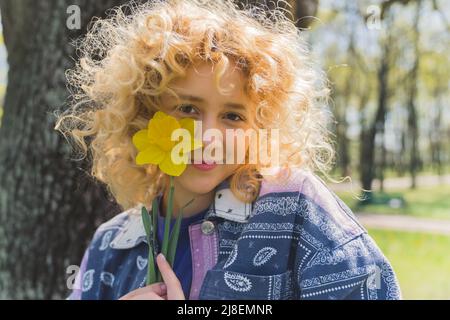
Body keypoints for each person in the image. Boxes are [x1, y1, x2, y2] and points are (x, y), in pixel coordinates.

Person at [55, 0, 402, 300]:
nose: (209, 137)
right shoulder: (111, 245)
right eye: (188, 109)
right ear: (145, 114)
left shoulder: (294, 208)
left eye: (232, 115)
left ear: (260, 126)